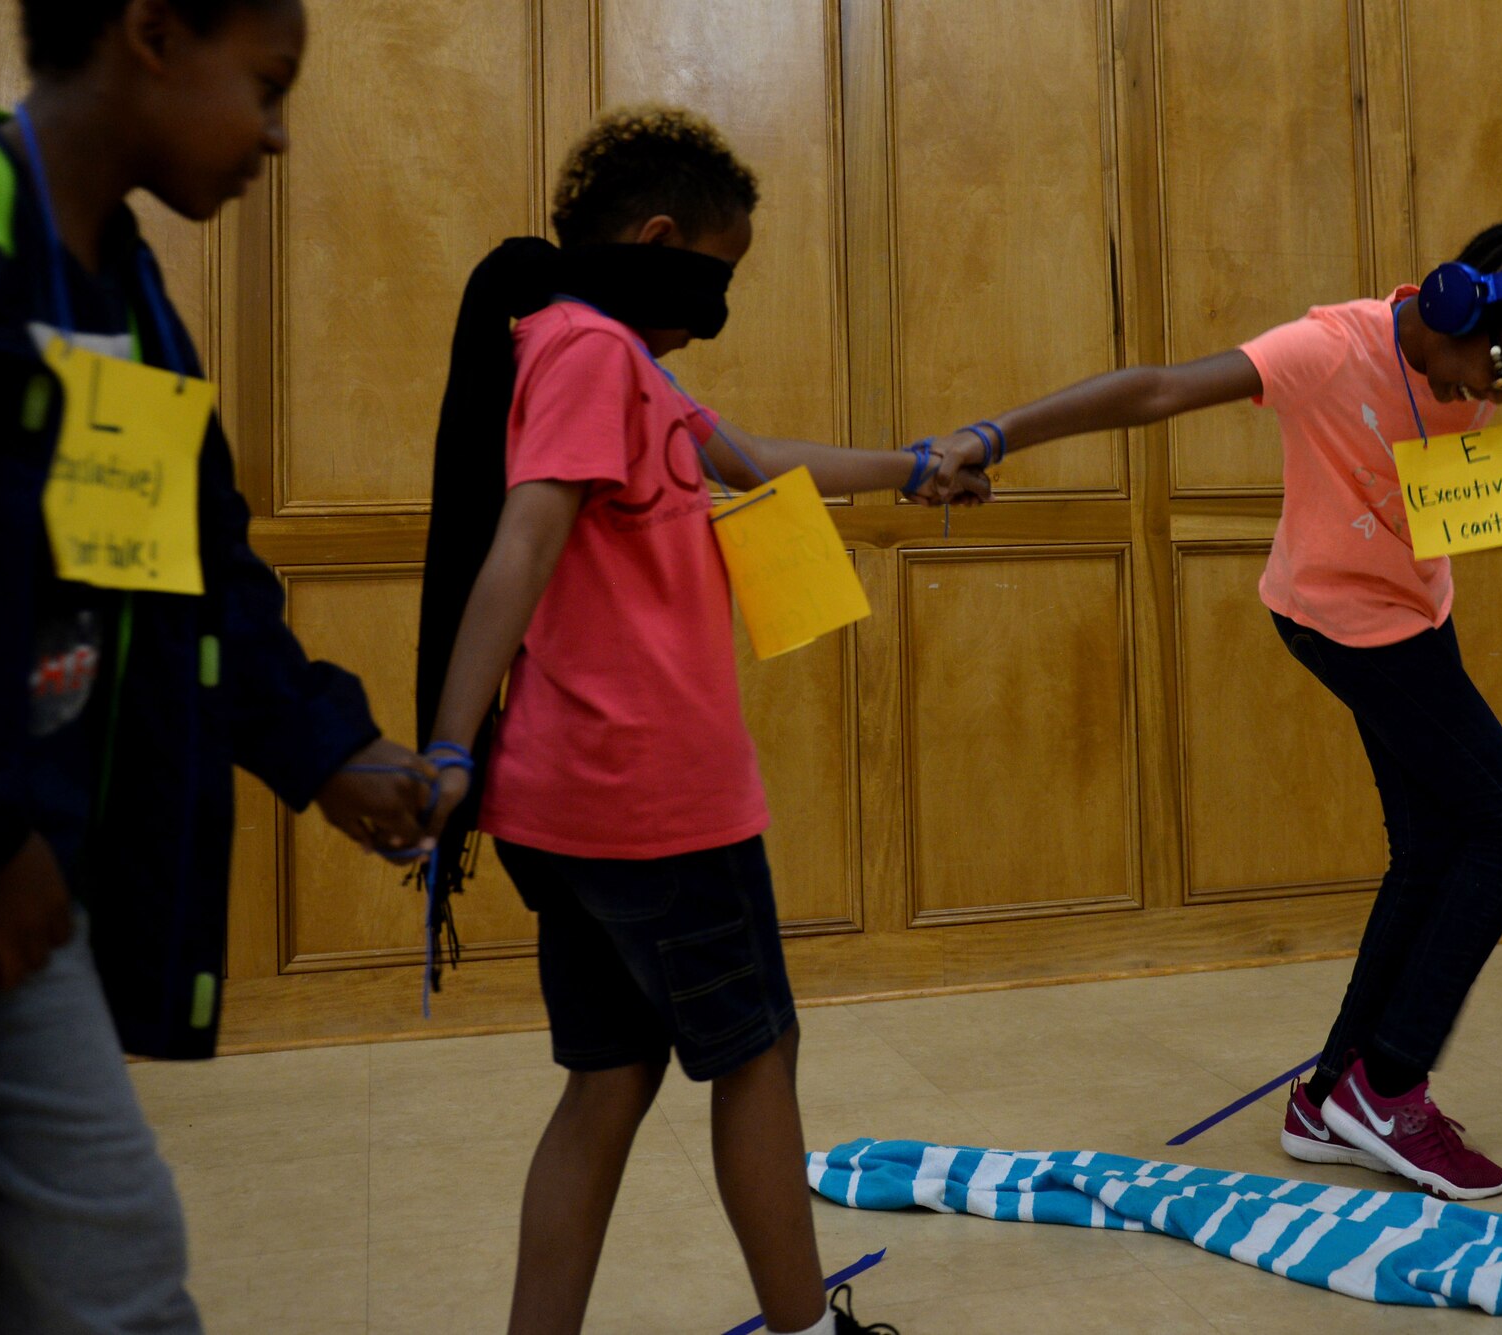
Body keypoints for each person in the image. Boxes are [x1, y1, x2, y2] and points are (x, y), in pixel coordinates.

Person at [0, 1, 434, 1327]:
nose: (277, 136)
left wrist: (320, 743)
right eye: (267, 87)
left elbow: (182, 571)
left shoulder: (127, 295)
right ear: (152, 32)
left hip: (24, 905)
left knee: (120, 1279)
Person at [926, 201, 1502, 1201]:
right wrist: (991, 434)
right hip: (1334, 618)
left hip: (1412, 613)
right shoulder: (1328, 350)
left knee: (1432, 846)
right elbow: (1155, 390)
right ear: (1453, 314)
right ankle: (1389, 1084)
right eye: (1499, 372)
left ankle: (1325, 1100)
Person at [417, 107, 981, 1335]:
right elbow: (519, 541)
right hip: (652, 807)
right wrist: (446, 745)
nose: (718, 304)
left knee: (608, 1081)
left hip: (574, 810)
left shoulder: (632, 371)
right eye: (717, 279)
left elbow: (752, 458)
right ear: (661, 240)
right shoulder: (587, 353)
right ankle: (803, 1328)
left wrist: (912, 462)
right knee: (754, 1057)